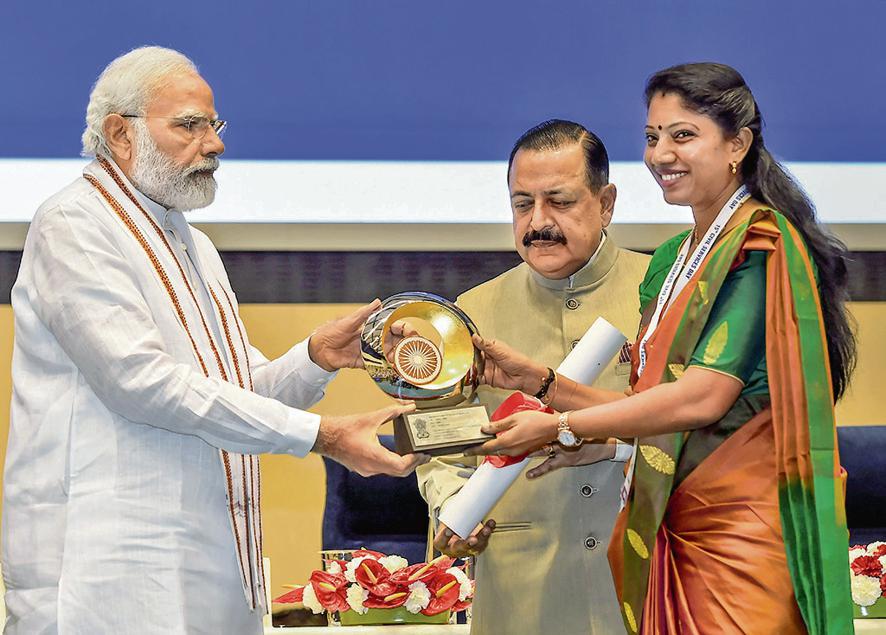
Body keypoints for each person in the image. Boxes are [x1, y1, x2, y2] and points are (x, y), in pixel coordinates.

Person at [2, 46, 426, 635]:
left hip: (211, 560)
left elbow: (236, 390)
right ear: (120, 135)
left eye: (214, 124)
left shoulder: (193, 244)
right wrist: (322, 437)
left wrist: (313, 360)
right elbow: (141, 385)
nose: (216, 143)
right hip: (110, 571)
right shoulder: (73, 224)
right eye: (189, 125)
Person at [465, 63, 856, 634]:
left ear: (737, 145)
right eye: (652, 137)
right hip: (671, 529)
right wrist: (542, 383)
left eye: (683, 135)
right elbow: (650, 403)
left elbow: (702, 399)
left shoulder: (758, 246)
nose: (660, 154)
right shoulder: (675, 259)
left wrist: (559, 428)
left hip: (736, 532)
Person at [415, 120, 650, 635]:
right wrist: (454, 507)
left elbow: (697, 428)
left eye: (559, 201)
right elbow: (443, 448)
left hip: (647, 579)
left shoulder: (661, 294)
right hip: (523, 592)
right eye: (523, 204)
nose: (538, 222)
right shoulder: (471, 314)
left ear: (606, 203)